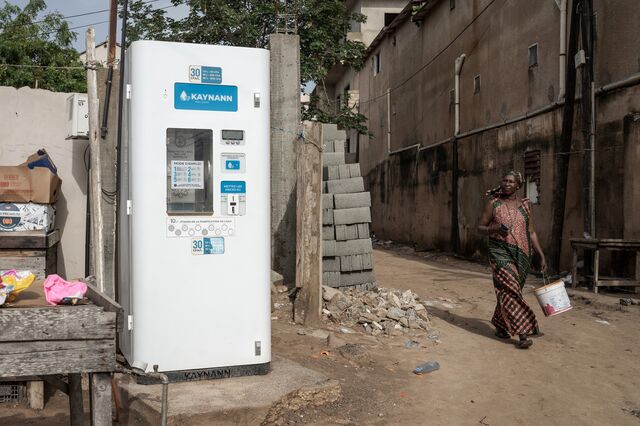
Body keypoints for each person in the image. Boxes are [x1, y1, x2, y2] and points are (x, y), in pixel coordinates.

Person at [477, 171, 547, 349]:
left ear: (518, 185)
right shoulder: (494, 204)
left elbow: (531, 232)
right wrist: (495, 228)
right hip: (500, 253)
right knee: (512, 290)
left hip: (523, 255)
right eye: (504, 180)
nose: (507, 183)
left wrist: (541, 255)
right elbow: (479, 227)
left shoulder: (525, 206)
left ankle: (500, 326)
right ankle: (523, 333)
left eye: (511, 181)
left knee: (508, 292)